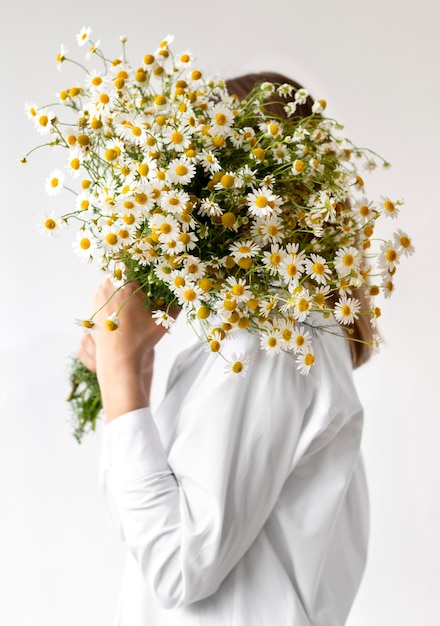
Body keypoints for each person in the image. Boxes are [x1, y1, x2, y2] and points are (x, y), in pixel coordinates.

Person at [77, 72, 371, 626]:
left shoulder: (280, 339)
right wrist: (131, 380)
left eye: (193, 170)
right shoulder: (245, 340)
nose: (176, 200)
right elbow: (146, 540)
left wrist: (119, 374)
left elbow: (178, 568)